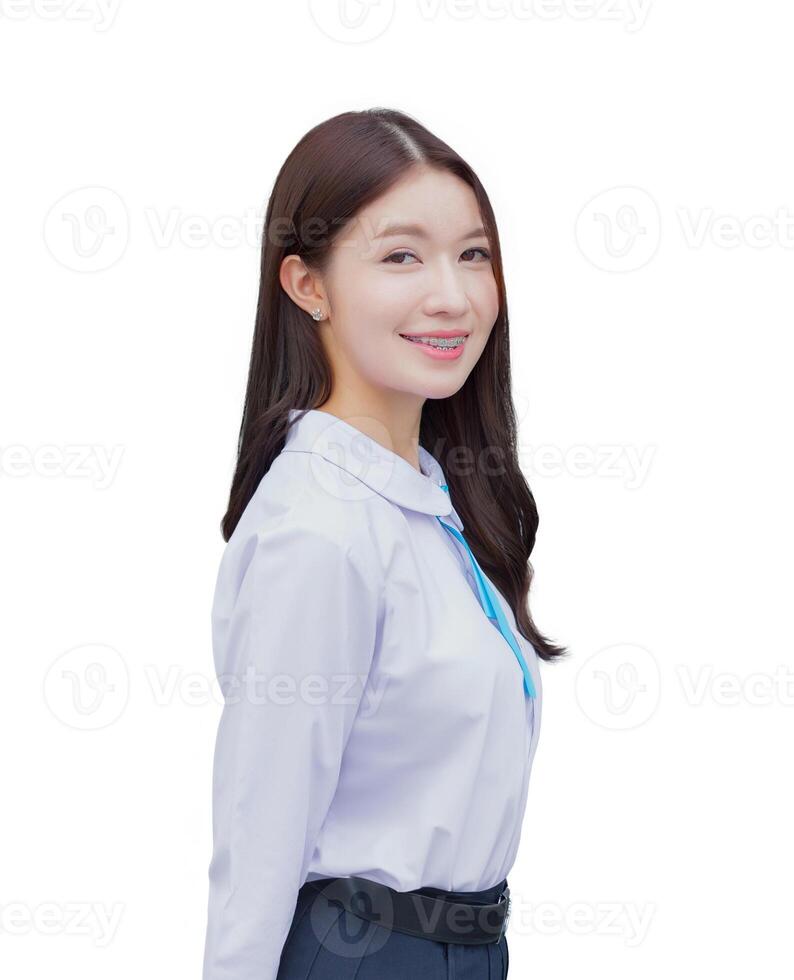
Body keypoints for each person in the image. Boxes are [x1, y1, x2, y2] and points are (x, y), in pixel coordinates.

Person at [201, 107, 564, 980]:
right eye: (401, 256)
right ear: (307, 285)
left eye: (473, 254)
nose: (453, 294)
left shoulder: (431, 496)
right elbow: (260, 839)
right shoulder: (319, 531)